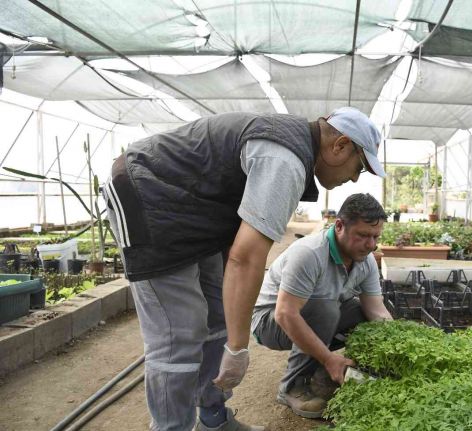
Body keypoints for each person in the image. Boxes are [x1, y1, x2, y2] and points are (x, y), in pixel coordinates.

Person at [101, 108, 385, 431]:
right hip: (148, 194)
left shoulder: (294, 151)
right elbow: (246, 258)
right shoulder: (286, 160)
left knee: (218, 315)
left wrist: (231, 339)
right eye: (359, 167)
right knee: (179, 333)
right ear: (340, 146)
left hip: (193, 212)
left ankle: (212, 418)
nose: (354, 178)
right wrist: (238, 348)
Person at [251, 193, 393, 419]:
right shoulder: (309, 253)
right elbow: (285, 313)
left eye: (376, 237)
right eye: (364, 235)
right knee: (325, 309)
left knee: (360, 313)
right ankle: (293, 386)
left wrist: (397, 345)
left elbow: (376, 310)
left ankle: (329, 369)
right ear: (339, 226)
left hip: (312, 314)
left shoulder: (365, 260)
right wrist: (329, 358)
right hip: (269, 321)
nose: (371, 245)